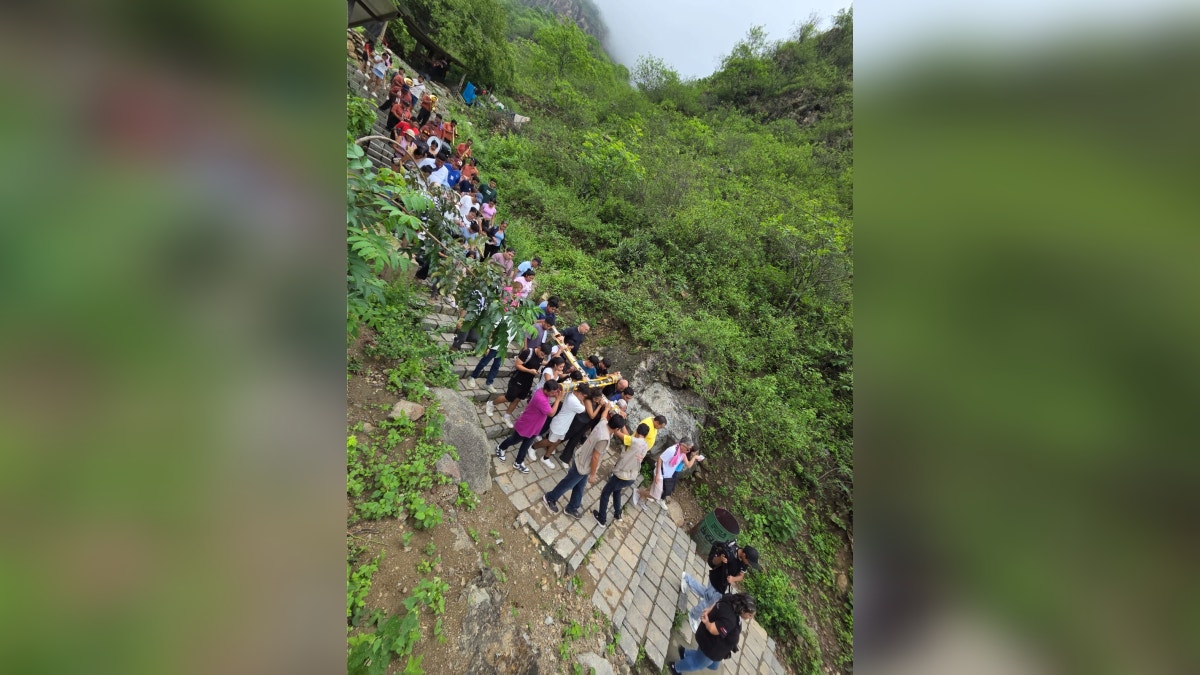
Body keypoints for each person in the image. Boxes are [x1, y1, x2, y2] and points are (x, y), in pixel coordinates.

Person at [544, 413, 626, 518]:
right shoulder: (604, 439)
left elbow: (604, 414)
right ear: (617, 429)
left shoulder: (603, 422)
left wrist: (608, 409)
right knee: (567, 484)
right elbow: (595, 457)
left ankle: (572, 507)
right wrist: (593, 474)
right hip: (583, 465)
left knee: (580, 487)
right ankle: (550, 498)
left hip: (583, 459)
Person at [682, 542, 761, 632]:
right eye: (749, 562)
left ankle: (687, 578)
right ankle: (693, 615)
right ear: (744, 555)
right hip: (716, 579)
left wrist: (733, 579)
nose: (749, 564)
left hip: (723, 584)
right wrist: (720, 559)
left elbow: (741, 576)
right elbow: (713, 561)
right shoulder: (730, 553)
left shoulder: (744, 563)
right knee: (709, 601)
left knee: (707, 594)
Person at [669, 594, 757, 674]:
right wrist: (707, 622)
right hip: (711, 646)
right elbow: (712, 629)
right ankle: (675, 667)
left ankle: (685, 653)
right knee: (697, 663)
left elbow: (717, 602)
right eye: (750, 615)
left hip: (717, 647)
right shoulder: (729, 620)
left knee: (713, 665)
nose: (751, 617)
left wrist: (708, 610)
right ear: (742, 610)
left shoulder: (731, 598)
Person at [494, 381, 563, 474]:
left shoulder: (543, 391)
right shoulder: (541, 398)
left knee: (526, 445)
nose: (554, 394)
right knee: (514, 440)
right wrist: (558, 400)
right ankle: (501, 447)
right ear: (546, 390)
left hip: (535, 426)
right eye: (552, 393)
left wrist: (556, 393)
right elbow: (551, 413)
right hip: (527, 424)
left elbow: (551, 396)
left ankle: (518, 462)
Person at [592, 422, 650, 526]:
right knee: (617, 491)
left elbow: (619, 434)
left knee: (605, 492)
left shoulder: (634, 441)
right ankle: (618, 514)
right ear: (646, 435)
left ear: (637, 431)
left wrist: (619, 423)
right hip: (632, 476)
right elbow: (627, 437)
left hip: (622, 475)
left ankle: (601, 519)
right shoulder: (645, 445)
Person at [486, 341, 551, 427]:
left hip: (528, 381)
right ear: (539, 348)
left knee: (517, 399)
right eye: (542, 354)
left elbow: (541, 362)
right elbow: (517, 365)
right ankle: (491, 404)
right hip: (518, 378)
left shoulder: (541, 357)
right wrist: (529, 370)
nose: (542, 357)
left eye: (544, 356)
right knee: (509, 397)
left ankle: (506, 416)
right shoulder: (527, 352)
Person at [532, 382, 588, 468]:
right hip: (559, 425)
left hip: (564, 425)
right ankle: (532, 447)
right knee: (550, 441)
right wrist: (582, 401)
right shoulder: (574, 401)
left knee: (557, 442)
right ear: (580, 393)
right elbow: (584, 410)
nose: (584, 398)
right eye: (584, 396)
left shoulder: (571, 394)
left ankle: (546, 457)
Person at [635, 438, 699, 510]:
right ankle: (639, 492)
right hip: (660, 473)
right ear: (682, 445)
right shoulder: (672, 450)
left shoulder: (683, 454)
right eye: (688, 449)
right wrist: (658, 474)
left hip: (665, 475)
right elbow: (660, 459)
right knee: (656, 496)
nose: (688, 451)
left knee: (653, 487)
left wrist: (694, 457)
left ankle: (641, 498)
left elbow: (689, 465)